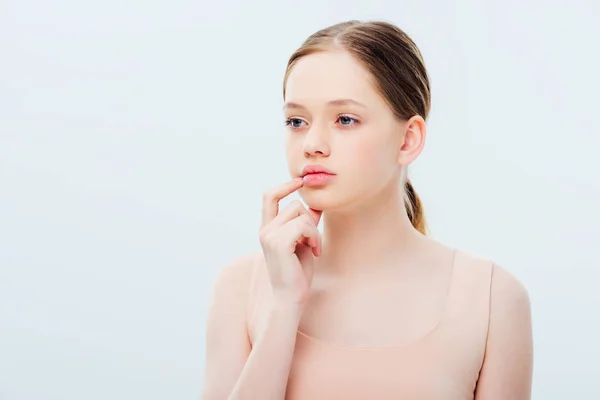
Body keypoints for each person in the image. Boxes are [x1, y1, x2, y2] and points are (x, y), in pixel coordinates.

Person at [201, 20, 533, 400]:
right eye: (297, 121)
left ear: (409, 139)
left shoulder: (492, 299)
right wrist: (283, 307)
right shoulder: (241, 288)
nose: (312, 143)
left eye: (345, 119)